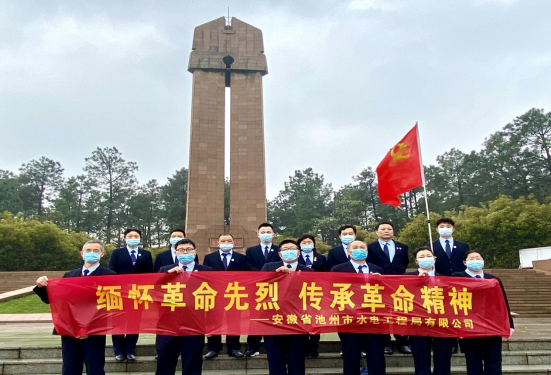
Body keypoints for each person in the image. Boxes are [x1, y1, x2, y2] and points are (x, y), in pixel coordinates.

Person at [34, 240, 116, 375]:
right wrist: (41, 287)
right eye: (88, 250)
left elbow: (110, 306)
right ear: (82, 253)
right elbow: (55, 300)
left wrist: (88, 328)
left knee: (95, 367)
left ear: (102, 254)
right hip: (70, 329)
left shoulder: (110, 276)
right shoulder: (69, 275)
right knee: (70, 367)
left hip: (94, 330)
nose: (91, 253)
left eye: (96, 251)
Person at [452, 250, 515, 375]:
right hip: (469, 326)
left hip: (492, 326)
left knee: (494, 360)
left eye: (478, 258)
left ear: (483, 260)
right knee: (473, 361)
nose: (475, 261)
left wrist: (510, 324)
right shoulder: (456, 277)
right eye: (471, 259)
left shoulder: (493, 279)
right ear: (465, 262)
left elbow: (503, 303)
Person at [156, 239, 212, 375]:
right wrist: (167, 277)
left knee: (192, 364)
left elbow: (213, 300)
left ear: (195, 252)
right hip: (167, 326)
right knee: (164, 364)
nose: (185, 252)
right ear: (176, 253)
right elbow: (154, 293)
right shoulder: (165, 270)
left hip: (194, 326)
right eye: (181, 250)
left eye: (188, 249)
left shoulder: (206, 271)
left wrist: (211, 325)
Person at [331, 240, 386, 375]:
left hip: (373, 318)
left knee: (376, 355)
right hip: (349, 319)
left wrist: (381, 282)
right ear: (349, 252)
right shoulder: (338, 269)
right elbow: (332, 292)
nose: (359, 249)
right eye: (355, 248)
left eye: (362, 247)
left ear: (367, 252)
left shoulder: (377, 269)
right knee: (351, 356)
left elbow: (385, 294)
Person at [261, 239, 314, 375]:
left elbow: (314, 298)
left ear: (298, 253)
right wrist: (275, 275)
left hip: (298, 322)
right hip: (274, 321)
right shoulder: (269, 267)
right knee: (275, 360)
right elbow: (259, 289)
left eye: (292, 248)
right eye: (285, 249)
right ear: (279, 254)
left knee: (297, 360)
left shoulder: (309, 271)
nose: (289, 251)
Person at [406, 247, 453, 375]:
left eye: (428, 256)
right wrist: (416, 281)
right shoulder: (407, 277)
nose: (425, 258)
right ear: (416, 261)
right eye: (421, 257)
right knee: (421, 360)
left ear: (434, 259)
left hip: (441, 324)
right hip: (418, 324)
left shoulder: (445, 279)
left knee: (443, 359)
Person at [109, 228, 154, 362]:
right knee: (117, 322)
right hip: (119, 293)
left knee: (134, 322)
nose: (133, 237)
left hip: (137, 294)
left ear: (140, 238)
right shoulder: (117, 253)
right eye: (130, 236)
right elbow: (111, 270)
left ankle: (130, 350)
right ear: (124, 238)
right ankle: (118, 351)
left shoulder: (146, 254)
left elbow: (149, 273)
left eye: (136, 236)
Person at [367, 221, 410, 355]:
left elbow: (405, 263)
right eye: (383, 229)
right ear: (377, 232)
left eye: (389, 229)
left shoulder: (402, 247)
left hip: (398, 286)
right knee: (382, 314)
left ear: (393, 231)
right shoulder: (370, 247)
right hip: (379, 286)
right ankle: (385, 343)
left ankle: (402, 342)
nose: (386, 231)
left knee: (399, 314)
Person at [202, 233, 246, 359]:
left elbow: (245, 276)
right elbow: (205, 276)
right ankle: (213, 348)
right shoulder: (209, 257)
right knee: (214, 321)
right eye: (223, 240)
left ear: (233, 243)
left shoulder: (241, 258)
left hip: (234, 294)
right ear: (218, 243)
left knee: (234, 321)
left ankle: (233, 348)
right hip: (215, 295)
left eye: (229, 240)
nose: (226, 243)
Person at [244, 222, 280, 357]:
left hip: (275, 288)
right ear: (258, 234)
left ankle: (274, 344)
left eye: (268, 232)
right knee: (255, 318)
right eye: (263, 232)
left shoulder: (278, 250)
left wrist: (270, 276)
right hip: (257, 289)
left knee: (273, 316)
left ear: (273, 234)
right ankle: (253, 346)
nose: (266, 234)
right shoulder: (251, 250)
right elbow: (248, 265)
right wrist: (263, 274)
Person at [296, 234, 328, 358]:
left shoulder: (320, 258)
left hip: (315, 293)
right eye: (304, 242)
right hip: (299, 294)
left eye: (309, 242)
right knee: (302, 320)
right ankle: (304, 348)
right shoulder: (296, 258)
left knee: (315, 322)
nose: (307, 244)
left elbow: (326, 275)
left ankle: (314, 347)